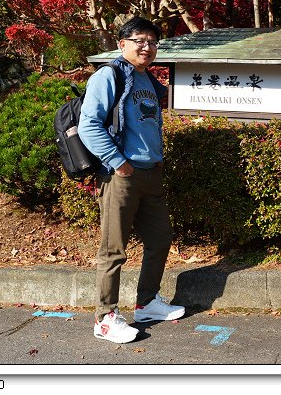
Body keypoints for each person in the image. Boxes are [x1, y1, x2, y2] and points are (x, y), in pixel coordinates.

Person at [79, 17, 185, 344]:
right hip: (121, 176)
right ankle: (105, 318)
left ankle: (147, 303)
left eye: (152, 42)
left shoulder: (148, 81)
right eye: (139, 40)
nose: (147, 47)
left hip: (151, 173)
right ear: (122, 44)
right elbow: (89, 125)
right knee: (114, 249)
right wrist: (118, 163)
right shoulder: (108, 76)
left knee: (160, 238)